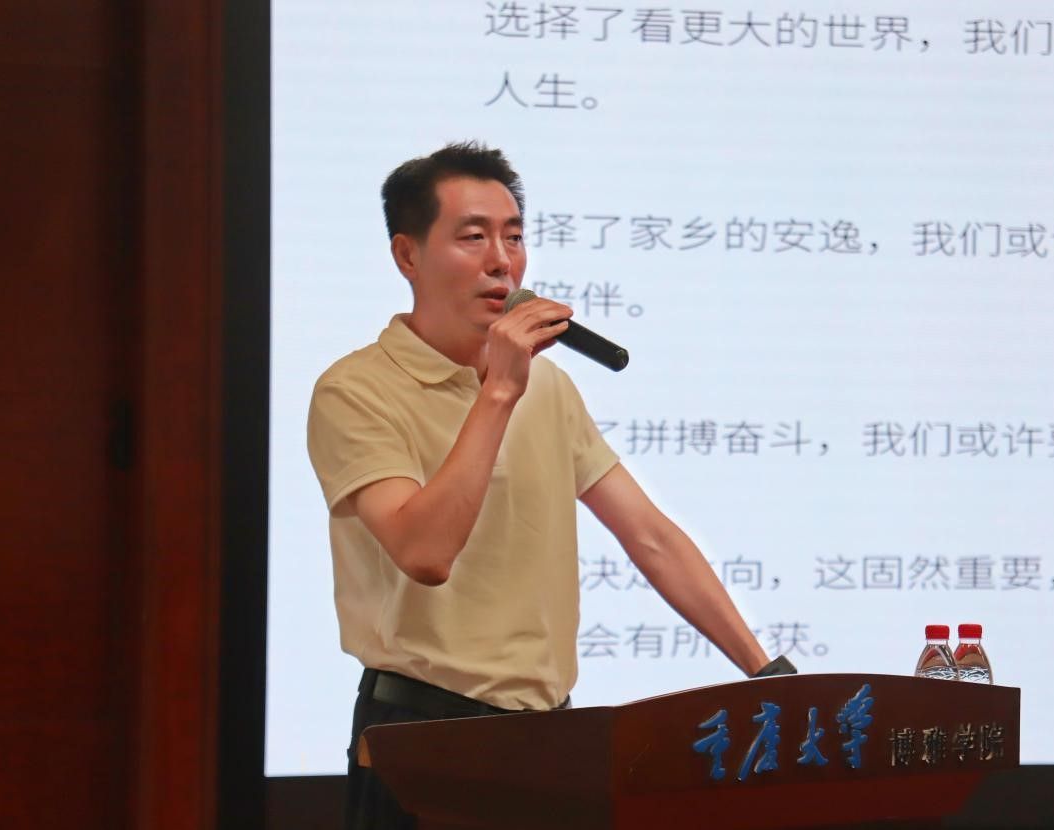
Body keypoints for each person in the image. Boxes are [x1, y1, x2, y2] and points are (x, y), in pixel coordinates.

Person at [307, 141, 789, 829]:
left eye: (513, 237)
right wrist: (499, 391)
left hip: (548, 736)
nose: (501, 261)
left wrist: (764, 672)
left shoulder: (549, 388)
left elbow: (649, 535)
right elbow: (426, 553)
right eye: (472, 237)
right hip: (422, 736)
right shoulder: (355, 390)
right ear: (407, 256)